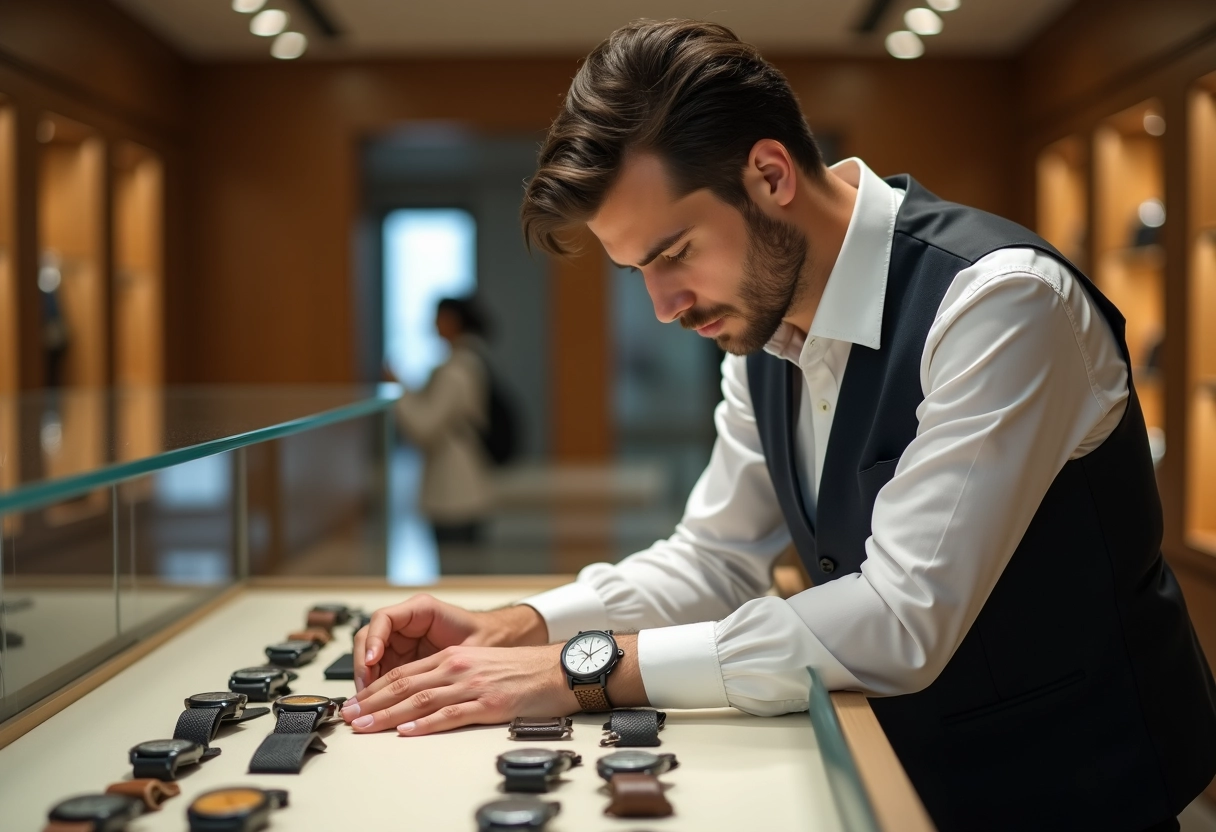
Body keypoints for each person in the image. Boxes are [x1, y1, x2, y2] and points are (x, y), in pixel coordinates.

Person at [344, 20, 1216, 832]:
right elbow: (715, 558)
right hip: (887, 776)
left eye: (674, 253)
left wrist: (585, 670)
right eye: (639, 272)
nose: (664, 306)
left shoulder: (1001, 302)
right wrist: (523, 625)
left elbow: (900, 616)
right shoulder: (760, 334)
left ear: (770, 175)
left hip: (1072, 792)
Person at [388, 297, 494, 546]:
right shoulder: (465, 363)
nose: (433, 324)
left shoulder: (455, 371)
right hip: (458, 487)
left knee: (456, 562)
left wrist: (398, 391)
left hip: (454, 490)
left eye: (438, 317)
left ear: (453, 321)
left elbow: (425, 427)